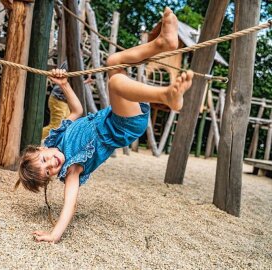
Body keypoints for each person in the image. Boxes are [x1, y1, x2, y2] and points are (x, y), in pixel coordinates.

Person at [16, 8, 193, 243]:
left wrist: (64, 85)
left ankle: (163, 43)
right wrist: (54, 234)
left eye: (44, 160)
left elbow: (77, 111)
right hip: (122, 126)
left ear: (40, 148)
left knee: (113, 62)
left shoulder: (58, 138)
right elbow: (70, 202)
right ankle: (166, 95)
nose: (52, 164)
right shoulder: (72, 169)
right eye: (48, 172)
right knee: (117, 82)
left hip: (116, 114)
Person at [42, 61, 93, 139]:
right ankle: (36, 138)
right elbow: (66, 81)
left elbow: (73, 83)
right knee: (56, 125)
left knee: (66, 124)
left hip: (65, 100)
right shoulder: (70, 63)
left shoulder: (80, 64)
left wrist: (86, 81)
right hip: (58, 98)